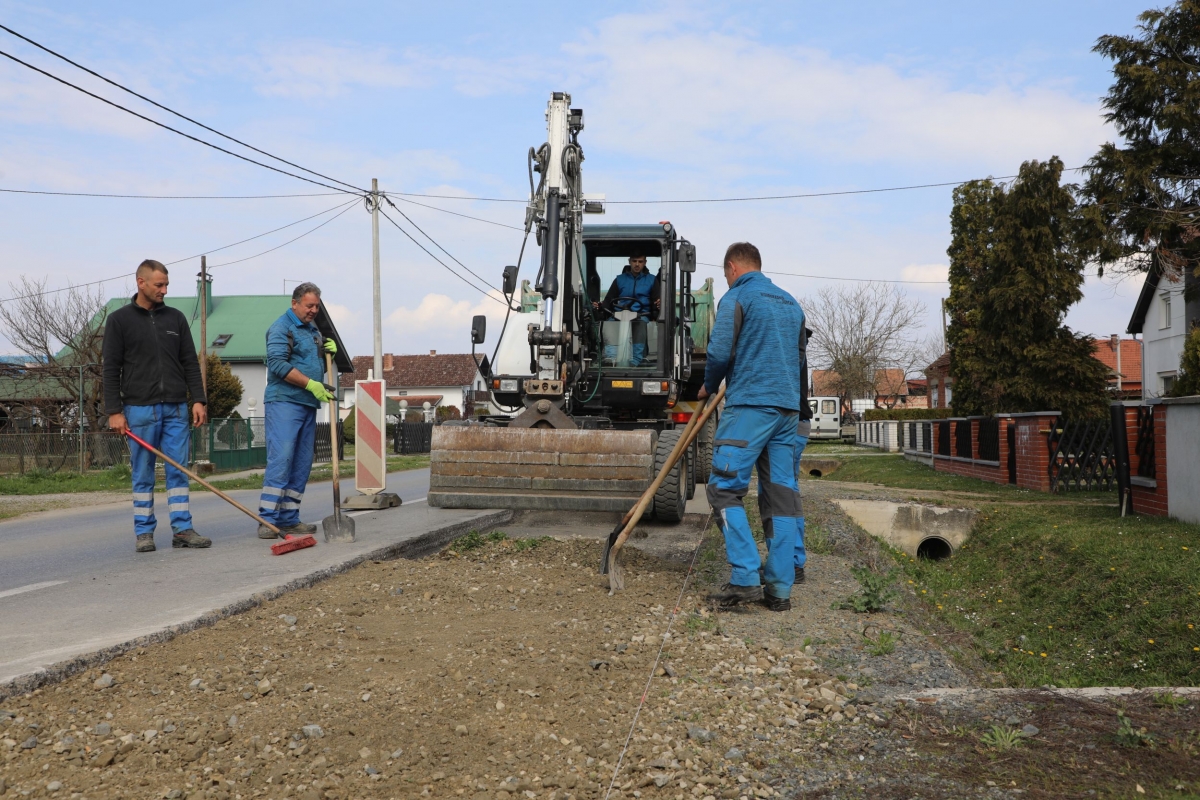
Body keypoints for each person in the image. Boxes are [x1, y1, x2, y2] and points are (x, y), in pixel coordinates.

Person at [699, 242, 805, 612]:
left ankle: (744, 577)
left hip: (750, 407)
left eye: (726, 273)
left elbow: (719, 351)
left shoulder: (737, 297)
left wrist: (709, 385)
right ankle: (779, 589)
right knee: (783, 497)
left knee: (724, 488)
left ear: (732, 267)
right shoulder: (791, 303)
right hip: (787, 410)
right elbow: (799, 359)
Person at [103, 260, 210, 553]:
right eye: (159, 285)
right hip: (139, 409)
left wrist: (198, 399)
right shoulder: (119, 320)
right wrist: (114, 411)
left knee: (179, 472)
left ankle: (182, 530)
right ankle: (144, 533)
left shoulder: (175, 319)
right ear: (141, 282)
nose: (164, 290)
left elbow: (190, 361)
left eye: (166, 285)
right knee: (143, 472)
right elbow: (110, 368)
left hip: (176, 407)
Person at [257, 282, 336, 539]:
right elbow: (278, 364)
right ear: (295, 303)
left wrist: (328, 357)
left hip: (307, 403)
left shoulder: (313, 330)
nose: (314, 310)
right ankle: (267, 520)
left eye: (317, 306)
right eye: (309, 305)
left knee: (302, 462)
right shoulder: (282, 328)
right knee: (282, 459)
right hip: (284, 402)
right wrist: (311, 384)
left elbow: (312, 366)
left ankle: (289, 517)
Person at [595, 255, 660, 366]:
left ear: (645, 262)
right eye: (634, 261)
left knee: (640, 324)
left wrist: (659, 302)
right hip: (619, 313)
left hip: (641, 314)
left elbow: (657, 298)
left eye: (640, 261)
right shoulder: (619, 279)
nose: (637, 264)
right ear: (629, 261)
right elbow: (609, 299)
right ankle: (611, 358)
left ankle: (636, 360)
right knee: (610, 323)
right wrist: (600, 306)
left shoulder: (652, 280)